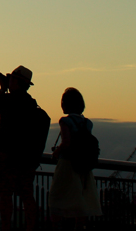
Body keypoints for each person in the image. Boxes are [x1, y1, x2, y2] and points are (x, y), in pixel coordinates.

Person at [0, 66, 47, 231]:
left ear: (16, 82)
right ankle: (31, 227)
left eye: (11, 79)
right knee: (27, 196)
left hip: (7, 156)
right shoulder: (32, 104)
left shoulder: (8, 100)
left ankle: (6, 227)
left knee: (5, 196)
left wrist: (2, 90)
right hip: (26, 160)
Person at [48, 88, 102, 228]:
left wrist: (56, 152)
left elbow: (66, 142)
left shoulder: (65, 121)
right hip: (84, 166)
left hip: (67, 165)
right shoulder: (88, 123)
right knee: (80, 202)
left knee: (57, 199)